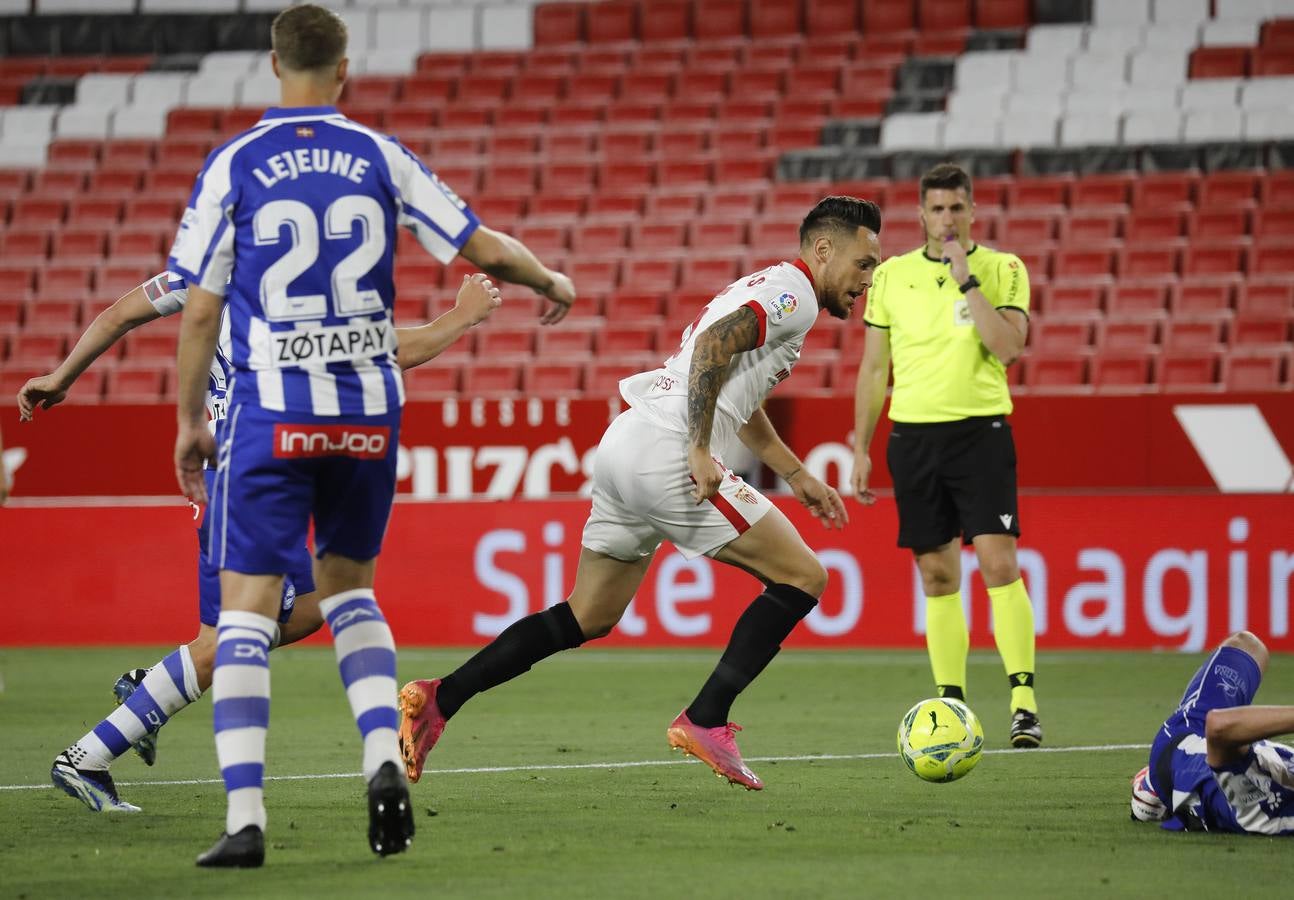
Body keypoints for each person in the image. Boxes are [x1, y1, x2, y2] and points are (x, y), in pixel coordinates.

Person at [166, 5, 574, 867]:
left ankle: (245, 818)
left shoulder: (234, 162)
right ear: (344, 69)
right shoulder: (378, 156)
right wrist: (550, 278)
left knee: (245, 613)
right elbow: (482, 248)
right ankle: (383, 760)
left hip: (270, 413)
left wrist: (185, 422)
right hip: (364, 411)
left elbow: (199, 308)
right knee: (350, 591)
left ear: (274, 64)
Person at [398, 196, 881, 792]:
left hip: (625, 443)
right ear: (823, 251)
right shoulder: (797, 295)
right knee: (805, 577)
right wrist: (701, 448)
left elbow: (736, 391)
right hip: (669, 450)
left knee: (588, 615)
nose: (868, 280)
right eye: (863, 264)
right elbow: (712, 352)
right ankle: (706, 719)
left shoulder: (767, 287)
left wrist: (798, 474)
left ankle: (441, 696)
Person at [24, 267, 503, 814]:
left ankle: (153, 688)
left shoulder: (200, 274)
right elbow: (390, 352)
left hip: (247, 470)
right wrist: (461, 316)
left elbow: (118, 314)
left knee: (313, 606)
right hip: (248, 476)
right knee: (223, 645)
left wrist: (62, 376)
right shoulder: (294, 293)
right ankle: (88, 756)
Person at [849, 163, 1039, 748]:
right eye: (937, 209)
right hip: (914, 439)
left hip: (980, 432)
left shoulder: (1003, 269)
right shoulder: (891, 276)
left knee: (997, 563)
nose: (947, 219)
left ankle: (1023, 703)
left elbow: (1007, 349)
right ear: (921, 214)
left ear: (973, 211)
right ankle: (951, 706)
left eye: (957, 208)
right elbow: (875, 366)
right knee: (936, 575)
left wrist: (966, 280)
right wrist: (861, 446)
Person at [1131, 631, 1294, 835]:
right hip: (1220, 748)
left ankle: (1152, 786)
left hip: (1183, 747)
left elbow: (1219, 726)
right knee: (1249, 646)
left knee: (1248, 647)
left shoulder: (1260, 808)